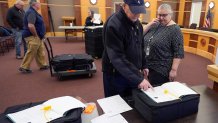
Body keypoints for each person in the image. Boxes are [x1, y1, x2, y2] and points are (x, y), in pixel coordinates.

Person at [102, 0, 152, 98]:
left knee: (131, 103)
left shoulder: (138, 24)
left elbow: (140, 46)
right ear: (124, 6)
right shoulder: (114, 24)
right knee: (116, 106)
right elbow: (117, 57)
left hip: (131, 72)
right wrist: (139, 78)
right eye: (134, 11)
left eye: (139, 11)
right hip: (115, 75)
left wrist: (143, 64)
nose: (137, 15)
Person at [143, 4, 184, 85]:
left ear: (170, 15)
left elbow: (178, 52)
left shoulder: (175, 29)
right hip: (149, 65)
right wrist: (150, 24)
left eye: (164, 15)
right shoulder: (156, 24)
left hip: (161, 68)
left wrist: (174, 70)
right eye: (159, 15)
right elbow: (140, 34)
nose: (161, 18)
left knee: (158, 92)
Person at [19, 0, 48, 73]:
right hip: (32, 35)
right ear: (35, 4)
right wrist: (36, 35)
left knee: (40, 50)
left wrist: (41, 35)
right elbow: (31, 25)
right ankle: (24, 67)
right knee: (31, 51)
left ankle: (42, 65)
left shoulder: (34, 12)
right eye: (39, 3)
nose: (40, 5)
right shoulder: (31, 12)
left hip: (38, 36)